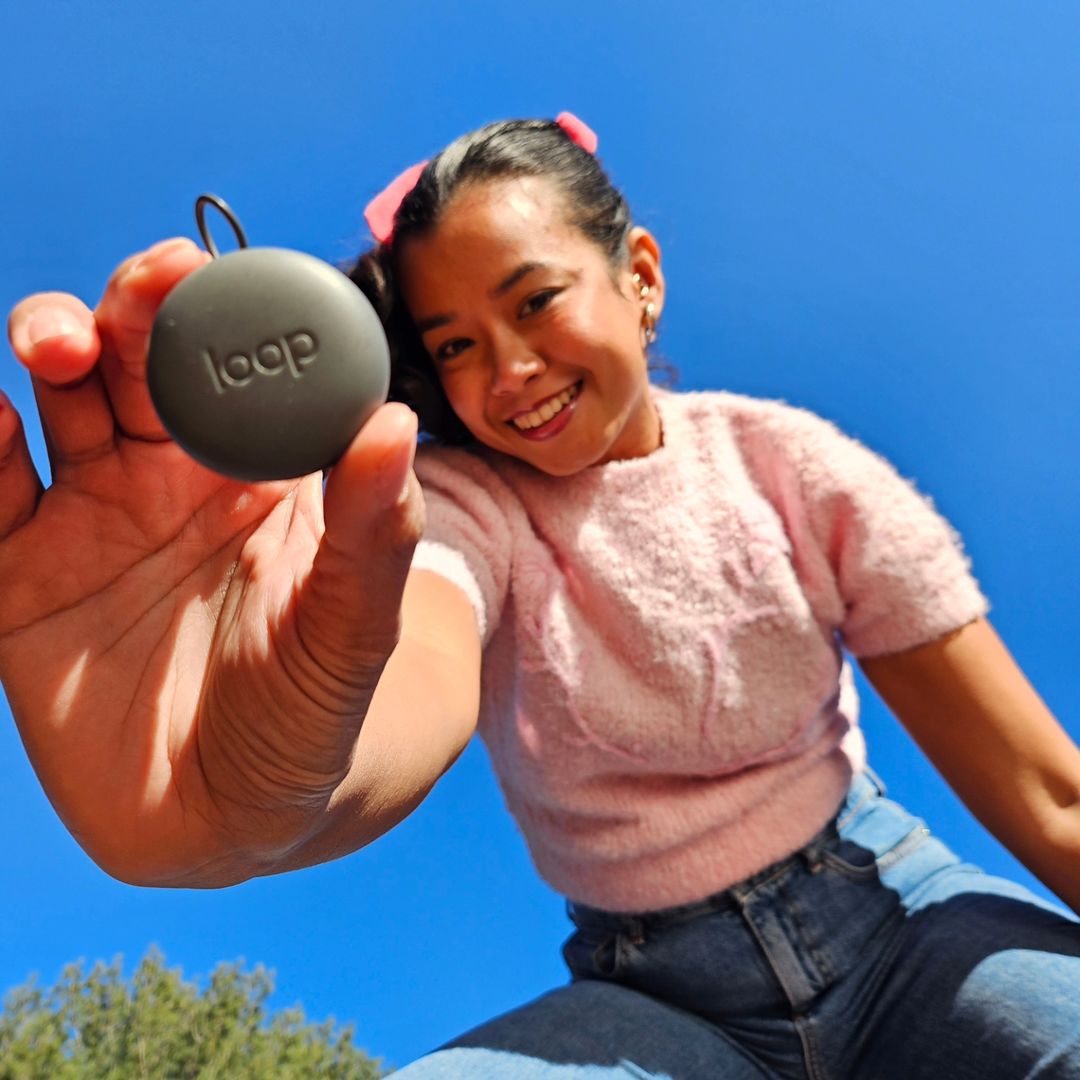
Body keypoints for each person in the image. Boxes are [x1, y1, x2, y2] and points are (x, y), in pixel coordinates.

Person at [2, 113, 1078, 1078]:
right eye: (456, 346)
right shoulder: (460, 507)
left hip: (899, 919)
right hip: (658, 997)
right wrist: (265, 782)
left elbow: (1050, 797)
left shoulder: (795, 468)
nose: (510, 368)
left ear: (640, 277)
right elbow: (417, 658)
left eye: (536, 301)